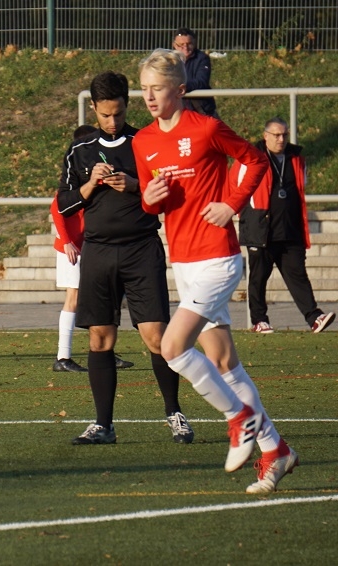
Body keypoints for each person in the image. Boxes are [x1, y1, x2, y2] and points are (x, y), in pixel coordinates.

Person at [134, 48, 298, 493]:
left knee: (172, 347)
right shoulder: (143, 141)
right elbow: (151, 202)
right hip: (184, 262)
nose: (149, 97)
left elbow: (255, 159)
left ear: (180, 89)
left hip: (217, 259)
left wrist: (232, 204)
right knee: (224, 362)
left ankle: (239, 418)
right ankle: (276, 450)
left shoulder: (205, 128)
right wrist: (149, 198)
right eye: (144, 89)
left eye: (158, 88)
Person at [56, 71, 194, 446]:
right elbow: (64, 205)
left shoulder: (147, 141)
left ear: (126, 106)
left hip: (141, 248)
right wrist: (90, 184)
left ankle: (174, 413)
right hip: (98, 252)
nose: (113, 121)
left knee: (157, 336)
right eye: (105, 115)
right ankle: (103, 425)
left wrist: (134, 185)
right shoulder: (79, 151)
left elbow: (171, 193)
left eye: (118, 113)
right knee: (100, 339)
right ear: (93, 109)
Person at [233, 117, 336, 334]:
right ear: (265, 136)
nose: (281, 139)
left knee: (298, 275)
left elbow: (301, 186)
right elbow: (234, 186)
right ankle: (259, 320)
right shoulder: (250, 156)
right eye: (276, 135)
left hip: (289, 229)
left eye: (284, 135)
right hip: (260, 228)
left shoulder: (296, 158)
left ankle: (314, 317)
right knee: (259, 277)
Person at [52, 124, 134, 373]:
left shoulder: (97, 178)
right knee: (73, 298)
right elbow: (58, 208)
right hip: (72, 248)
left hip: (92, 245)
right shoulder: (76, 175)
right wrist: (67, 241)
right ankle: (63, 356)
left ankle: (105, 349)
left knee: (101, 298)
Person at [172, 27, 218, 119]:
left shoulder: (202, 58)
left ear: (194, 43)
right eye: (181, 45)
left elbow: (201, 82)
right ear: (174, 45)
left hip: (202, 111)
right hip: (177, 111)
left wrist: (179, 87)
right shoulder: (168, 60)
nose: (185, 47)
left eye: (189, 44)